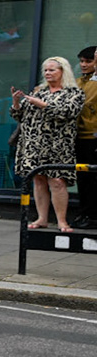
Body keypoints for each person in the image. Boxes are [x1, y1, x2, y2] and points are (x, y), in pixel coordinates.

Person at [10, 56, 86, 232]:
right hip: (33, 143)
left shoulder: (74, 93)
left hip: (58, 144)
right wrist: (16, 104)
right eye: (46, 70)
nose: (48, 73)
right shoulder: (38, 91)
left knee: (58, 181)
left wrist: (42, 105)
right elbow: (20, 117)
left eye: (52, 70)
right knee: (38, 180)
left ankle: (61, 221)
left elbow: (68, 112)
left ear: (63, 71)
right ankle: (42, 218)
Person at [74, 47, 97, 228]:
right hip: (79, 135)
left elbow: (86, 100)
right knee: (83, 178)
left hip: (93, 136)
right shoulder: (79, 81)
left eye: (88, 61)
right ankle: (85, 213)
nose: (84, 65)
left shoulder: (93, 82)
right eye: (81, 61)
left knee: (92, 178)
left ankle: (92, 215)